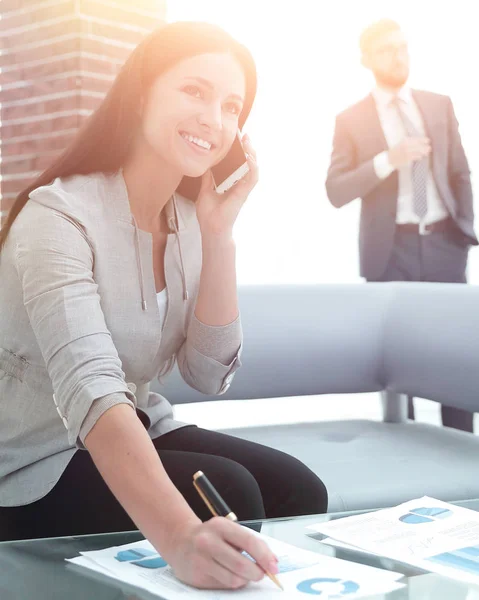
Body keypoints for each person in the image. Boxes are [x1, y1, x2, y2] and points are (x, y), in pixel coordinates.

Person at [0, 21, 328, 588]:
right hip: (30, 459)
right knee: (232, 496)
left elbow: (206, 372)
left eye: (232, 106)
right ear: (143, 90)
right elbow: (90, 385)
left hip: (139, 426)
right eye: (195, 91)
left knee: (299, 487)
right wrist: (178, 537)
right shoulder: (58, 216)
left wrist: (219, 233)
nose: (215, 119)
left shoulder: (191, 222)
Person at [325, 19, 478, 432]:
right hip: (389, 252)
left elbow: (460, 172)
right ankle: (405, 448)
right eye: (388, 50)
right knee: (399, 363)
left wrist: (464, 232)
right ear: (366, 59)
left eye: (403, 47)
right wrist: (387, 160)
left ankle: (462, 451)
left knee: (454, 354)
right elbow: (336, 190)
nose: (399, 56)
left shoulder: (438, 104)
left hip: (445, 245)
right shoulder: (351, 119)